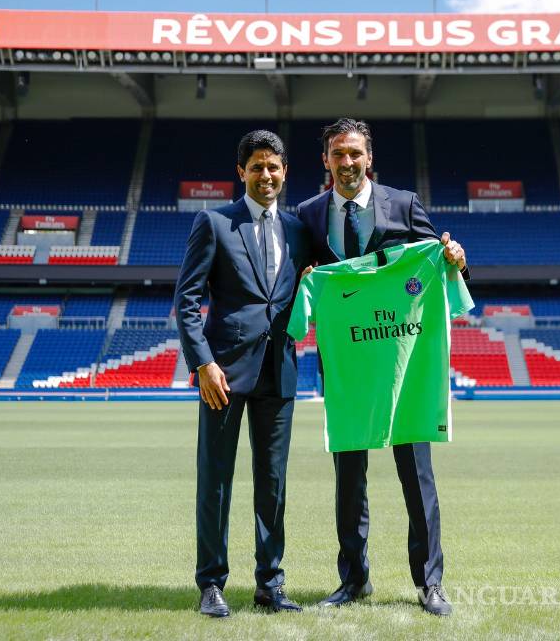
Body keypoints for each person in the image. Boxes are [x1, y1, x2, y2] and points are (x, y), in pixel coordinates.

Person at [296, 117, 468, 616]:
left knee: (417, 477)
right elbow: (298, 282)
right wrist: (305, 277)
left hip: (404, 369)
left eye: (355, 153)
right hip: (349, 369)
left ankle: (430, 583)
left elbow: (437, 263)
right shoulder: (307, 215)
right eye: (338, 154)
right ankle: (353, 580)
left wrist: (455, 258)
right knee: (348, 480)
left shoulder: (405, 204)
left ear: (369, 158)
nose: (347, 162)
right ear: (325, 160)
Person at [174, 130, 310, 618]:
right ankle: (211, 584)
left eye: (273, 166)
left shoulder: (299, 229)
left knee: (273, 482)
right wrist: (203, 364)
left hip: (280, 370)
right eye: (256, 166)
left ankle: (270, 584)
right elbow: (186, 301)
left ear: (284, 171)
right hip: (223, 375)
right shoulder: (213, 223)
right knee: (216, 480)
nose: (265, 174)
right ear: (241, 172)